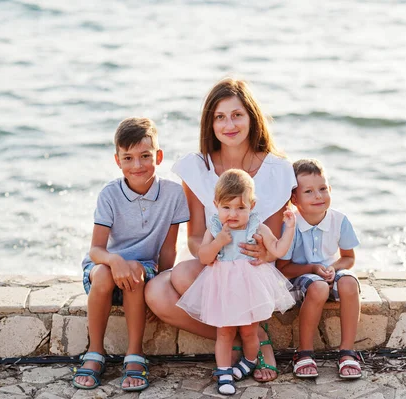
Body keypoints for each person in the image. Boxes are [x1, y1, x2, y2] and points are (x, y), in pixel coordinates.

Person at [145, 77, 297, 382]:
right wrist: (213, 249)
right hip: (218, 262)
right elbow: (195, 237)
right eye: (220, 116)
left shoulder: (277, 169)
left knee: (186, 277)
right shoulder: (197, 168)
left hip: (257, 269)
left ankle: (255, 337)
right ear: (210, 123)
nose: (229, 124)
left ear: (252, 118)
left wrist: (265, 253)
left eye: (237, 115)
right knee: (159, 291)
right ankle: (246, 342)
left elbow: (277, 241)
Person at [73, 117, 190, 391]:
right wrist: (116, 261)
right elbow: (96, 250)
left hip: (143, 273)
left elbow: (168, 248)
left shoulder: (173, 194)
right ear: (118, 161)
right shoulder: (110, 194)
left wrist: (162, 286)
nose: (137, 165)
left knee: (137, 270)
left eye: (145, 156)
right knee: (103, 273)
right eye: (128, 158)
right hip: (105, 268)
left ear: (158, 156)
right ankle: (95, 352)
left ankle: (134, 354)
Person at [177, 169, 296, 395]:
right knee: (224, 332)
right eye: (226, 207)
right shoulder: (214, 228)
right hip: (223, 288)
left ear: (252, 205)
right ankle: (224, 372)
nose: (233, 214)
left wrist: (289, 228)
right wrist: (218, 242)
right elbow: (203, 257)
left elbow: (278, 249)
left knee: (250, 332)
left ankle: (250, 360)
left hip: (250, 288)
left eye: (241, 207)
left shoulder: (256, 227)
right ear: (216, 204)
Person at [277, 158, 363, 380]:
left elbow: (348, 258)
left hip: (327, 272)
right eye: (309, 191)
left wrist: (331, 268)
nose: (318, 196)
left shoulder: (340, 220)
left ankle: (347, 352)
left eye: (323, 189)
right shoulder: (291, 224)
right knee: (318, 288)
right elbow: (283, 268)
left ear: (330, 189)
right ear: (294, 198)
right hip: (299, 278)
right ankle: (304, 352)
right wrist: (314, 268)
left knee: (349, 282)